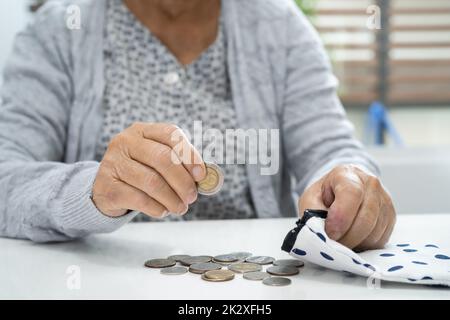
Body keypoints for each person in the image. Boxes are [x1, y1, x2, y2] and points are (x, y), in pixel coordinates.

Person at [0, 0, 395, 249]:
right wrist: (91, 191)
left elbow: (330, 147)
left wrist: (348, 180)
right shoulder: (57, 32)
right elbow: (6, 177)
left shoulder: (282, 28)